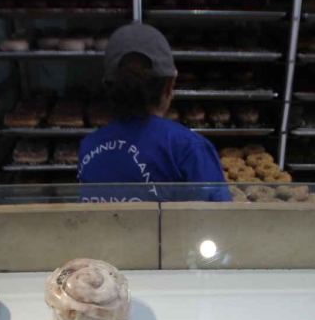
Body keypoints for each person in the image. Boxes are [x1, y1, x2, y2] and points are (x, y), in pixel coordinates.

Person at [78, 23, 231, 201]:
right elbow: (221, 215)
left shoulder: (88, 148)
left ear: (108, 88)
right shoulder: (189, 149)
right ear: (170, 85)